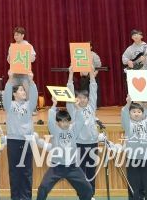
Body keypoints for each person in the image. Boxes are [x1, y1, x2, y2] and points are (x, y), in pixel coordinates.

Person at [34, 99, 94, 200]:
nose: (65, 123)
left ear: (69, 121)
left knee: (87, 188)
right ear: (57, 123)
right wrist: (53, 105)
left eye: (66, 121)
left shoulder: (73, 131)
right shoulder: (55, 130)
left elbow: (81, 120)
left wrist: (77, 107)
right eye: (62, 121)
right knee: (43, 187)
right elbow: (50, 120)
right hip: (56, 167)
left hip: (73, 167)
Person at [2, 70, 37, 200]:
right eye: (21, 90)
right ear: (14, 94)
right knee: (15, 171)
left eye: (24, 90)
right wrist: (10, 79)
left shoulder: (29, 105)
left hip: (27, 140)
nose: (24, 92)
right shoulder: (9, 105)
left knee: (27, 172)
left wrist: (31, 81)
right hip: (13, 141)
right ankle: (15, 197)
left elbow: (34, 95)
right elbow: (6, 95)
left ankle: (27, 197)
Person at [67, 67, 100, 198]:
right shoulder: (72, 109)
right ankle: (82, 195)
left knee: (91, 172)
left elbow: (93, 90)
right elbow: (69, 90)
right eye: (79, 97)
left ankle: (91, 195)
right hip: (79, 144)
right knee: (80, 173)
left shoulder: (91, 107)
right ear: (75, 99)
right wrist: (70, 74)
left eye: (85, 97)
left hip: (92, 143)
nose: (82, 100)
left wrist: (91, 74)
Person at [121, 95, 147, 200]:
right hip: (132, 158)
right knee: (133, 184)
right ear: (129, 114)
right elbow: (123, 114)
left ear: (143, 114)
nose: (136, 113)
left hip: (146, 158)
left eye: (139, 112)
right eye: (133, 112)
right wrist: (128, 103)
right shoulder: (128, 124)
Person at [6, 26, 36, 91]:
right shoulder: (12, 47)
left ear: (22, 35)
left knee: (27, 92)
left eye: (17, 35)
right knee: (11, 91)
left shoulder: (28, 46)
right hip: (14, 74)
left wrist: (28, 57)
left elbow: (33, 59)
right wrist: (10, 58)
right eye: (14, 35)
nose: (15, 37)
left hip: (25, 75)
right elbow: (9, 60)